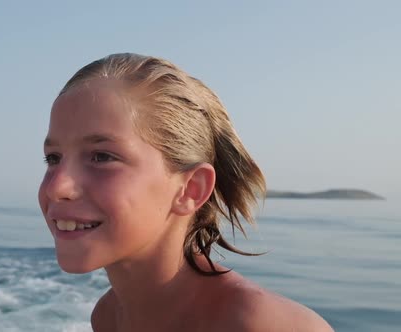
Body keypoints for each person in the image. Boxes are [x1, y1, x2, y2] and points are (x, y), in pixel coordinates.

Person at [38, 53, 333, 331]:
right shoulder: (108, 317)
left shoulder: (264, 325)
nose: (57, 186)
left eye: (101, 157)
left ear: (191, 189)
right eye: (53, 158)